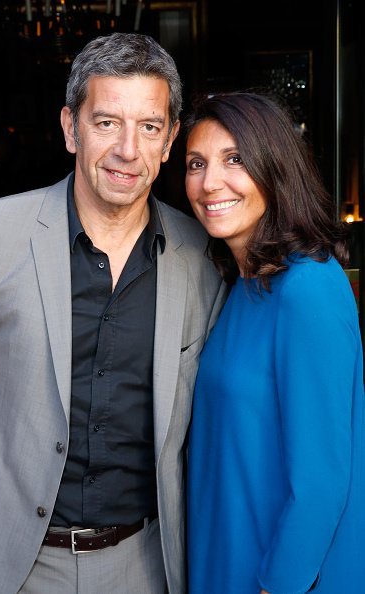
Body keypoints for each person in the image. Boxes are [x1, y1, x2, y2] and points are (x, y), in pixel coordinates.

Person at [0, 33, 226, 594]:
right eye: (107, 122)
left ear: (169, 140)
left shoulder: (201, 256)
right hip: (5, 563)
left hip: (144, 564)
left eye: (149, 127)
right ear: (71, 128)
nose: (128, 149)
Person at [185, 92, 365, 594]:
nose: (209, 182)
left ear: (275, 167)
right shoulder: (240, 285)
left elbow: (323, 480)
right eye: (196, 163)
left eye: (234, 160)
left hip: (278, 573)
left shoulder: (307, 288)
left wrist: (278, 583)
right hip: (225, 554)